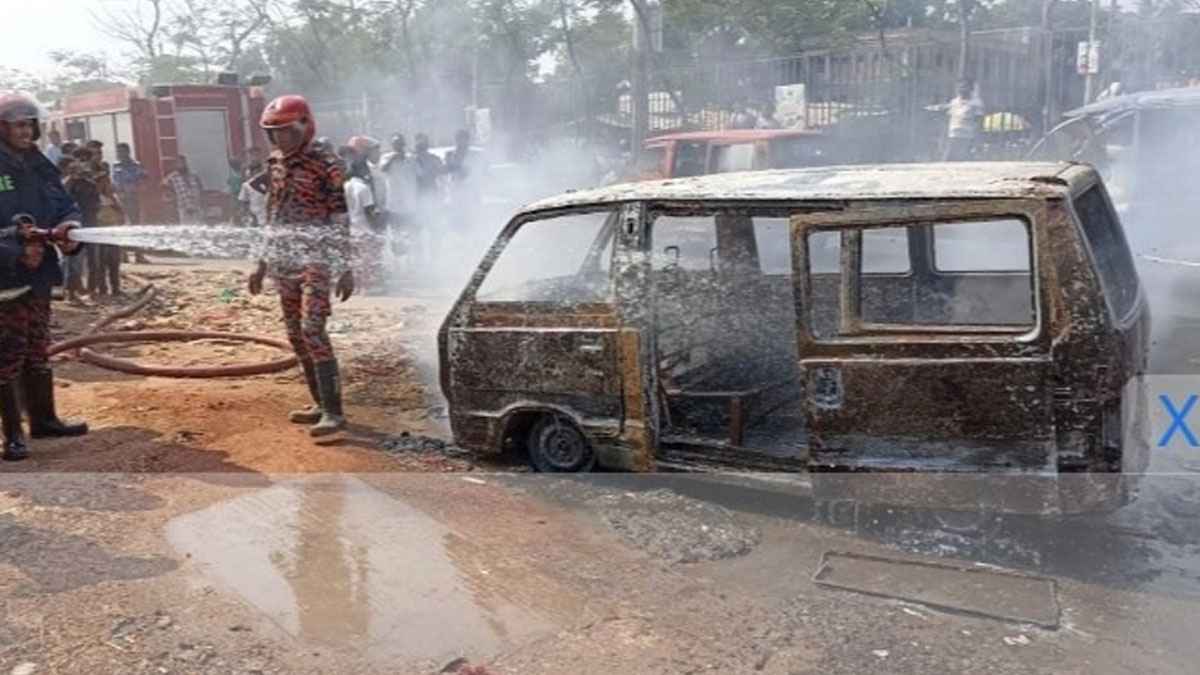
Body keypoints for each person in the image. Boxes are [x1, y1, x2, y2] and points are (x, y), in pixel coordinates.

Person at [247, 94, 354, 436]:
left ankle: (335, 413)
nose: (281, 138)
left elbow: (340, 215)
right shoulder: (276, 162)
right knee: (294, 334)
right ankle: (320, 403)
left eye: (287, 131)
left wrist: (345, 265)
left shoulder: (326, 163)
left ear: (305, 127)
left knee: (312, 329)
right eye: (274, 132)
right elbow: (272, 213)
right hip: (284, 260)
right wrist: (260, 261)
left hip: (316, 259)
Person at [0, 92, 89, 461]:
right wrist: (15, 245)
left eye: (29, 124)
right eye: (18, 125)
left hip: (38, 276)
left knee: (38, 345)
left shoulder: (39, 164)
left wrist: (71, 229)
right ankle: (12, 435)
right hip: (4, 278)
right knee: (8, 352)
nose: (25, 131)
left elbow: (64, 204)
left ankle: (44, 419)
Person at [60, 156, 98, 303]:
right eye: (71, 169)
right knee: (71, 261)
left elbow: (95, 204)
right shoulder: (64, 185)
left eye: (76, 169)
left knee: (84, 261)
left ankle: (84, 290)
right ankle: (70, 292)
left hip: (87, 225)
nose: (75, 172)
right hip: (71, 227)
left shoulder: (89, 185)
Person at [112, 142, 150, 263]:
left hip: (133, 198)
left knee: (136, 225)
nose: (119, 154)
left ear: (127, 152)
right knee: (122, 226)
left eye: (121, 151)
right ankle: (123, 254)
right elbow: (115, 182)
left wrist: (137, 185)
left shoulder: (135, 165)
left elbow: (144, 177)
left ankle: (139, 254)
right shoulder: (116, 166)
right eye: (118, 152)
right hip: (121, 199)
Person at [91, 166, 125, 296]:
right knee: (101, 261)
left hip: (113, 233)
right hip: (100, 233)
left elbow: (121, 214)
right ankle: (102, 288)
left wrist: (114, 203)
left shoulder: (113, 198)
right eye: (103, 182)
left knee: (114, 261)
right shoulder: (94, 198)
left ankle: (115, 288)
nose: (107, 185)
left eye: (107, 182)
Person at [937, 79, 983, 161]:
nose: (961, 89)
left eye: (965, 87)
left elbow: (978, 121)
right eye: (959, 87)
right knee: (947, 158)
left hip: (967, 135)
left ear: (971, 89)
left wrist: (977, 137)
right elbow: (949, 117)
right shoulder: (954, 102)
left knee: (963, 159)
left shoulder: (976, 103)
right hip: (953, 134)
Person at [162, 155, 205, 223]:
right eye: (178, 163)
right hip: (183, 208)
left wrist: (202, 202)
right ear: (175, 165)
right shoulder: (172, 178)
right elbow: (164, 187)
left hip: (197, 207)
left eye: (182, 163)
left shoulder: (193, 176)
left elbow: (200, 189)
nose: (181, 165)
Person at [238, 157, 268, 227]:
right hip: (254, 215)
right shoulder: (246, 185)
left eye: (260, 170)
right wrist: (245, 215)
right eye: (256, 170)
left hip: (266, 214)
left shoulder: (268, 182)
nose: (258, 172)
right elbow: (243, 202)